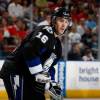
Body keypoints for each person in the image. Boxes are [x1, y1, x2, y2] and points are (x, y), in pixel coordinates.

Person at [0, 7, 71, 100]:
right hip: (16, 69)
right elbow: (29, 50)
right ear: (54, 21)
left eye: (66, 22)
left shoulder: (58, 47)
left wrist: (51, 83)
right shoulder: (45, 31)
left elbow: (49, 67)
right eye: (61, 20)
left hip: (29, 74)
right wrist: (37, 73)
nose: (63, 25)